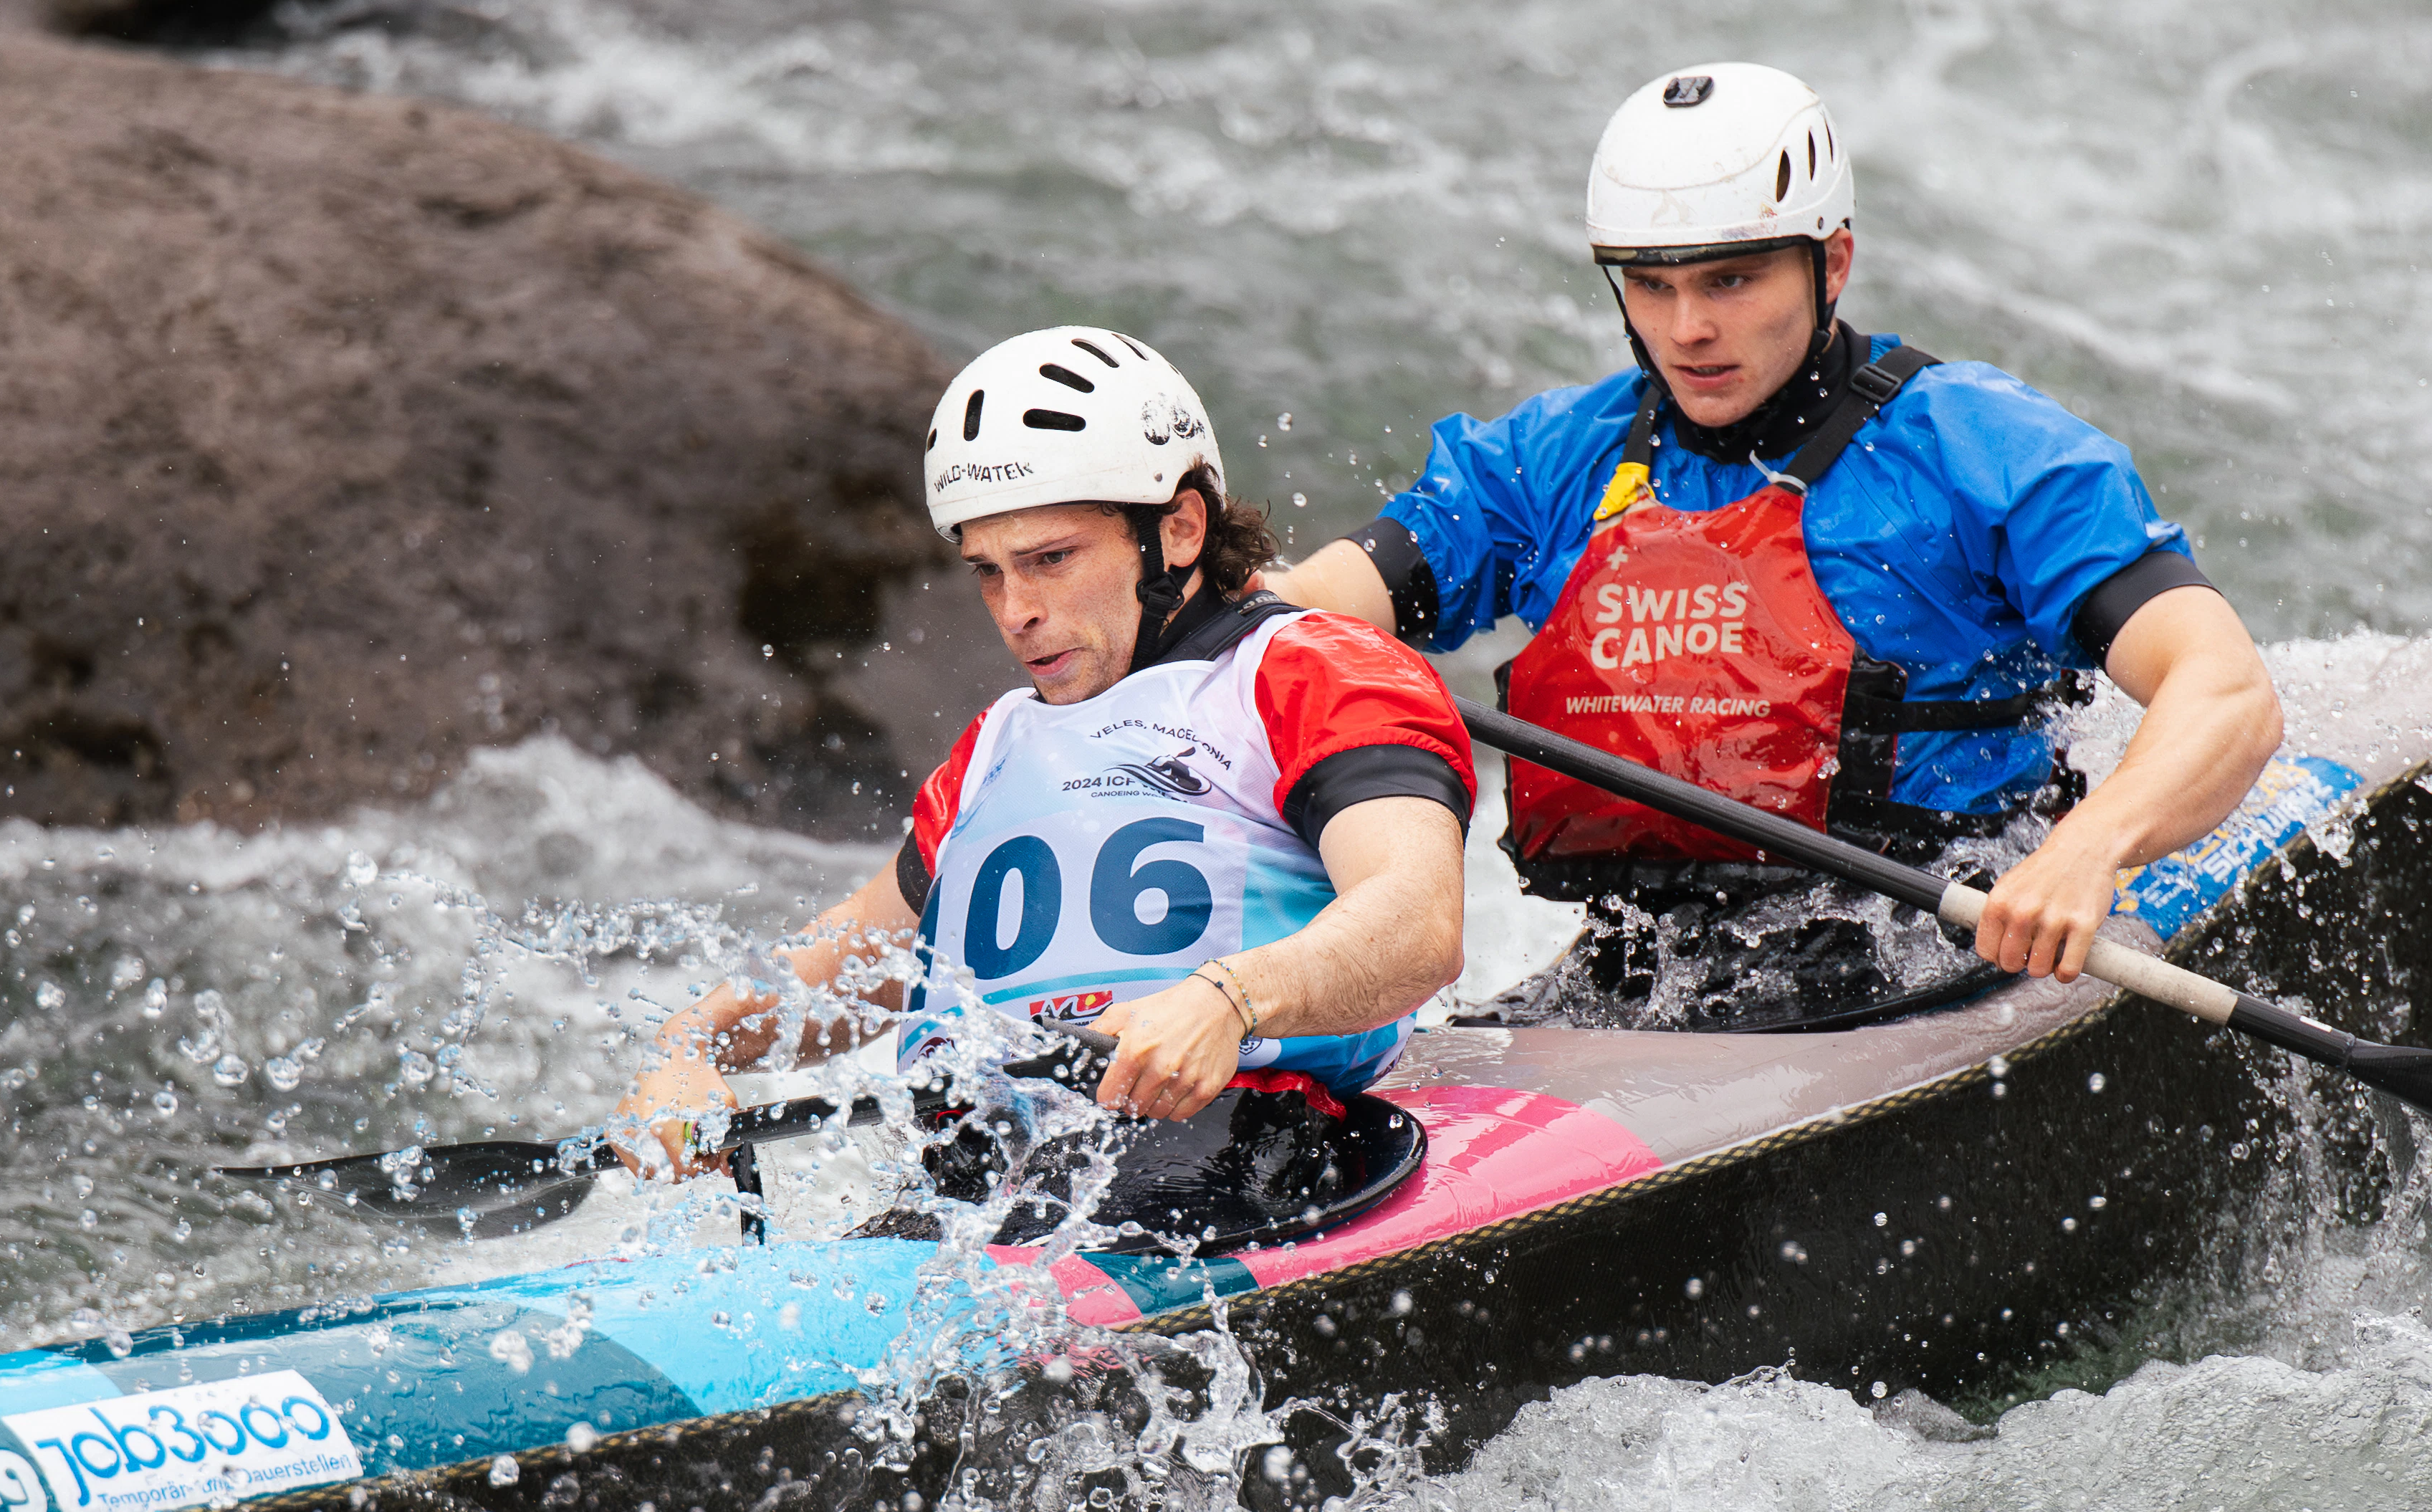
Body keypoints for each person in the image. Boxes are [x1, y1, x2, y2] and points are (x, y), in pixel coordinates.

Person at [1269, 61, 2284, 1029]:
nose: (1687, 330)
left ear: (1831, 262)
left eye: (1731, 282)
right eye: (1652, 288)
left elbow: (2223, 687)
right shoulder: (1553, 461)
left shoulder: (1979, 449)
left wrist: (2089, 853)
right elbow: (1307, 614)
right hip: (1645, 969)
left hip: (1935, 951)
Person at [618, 326, 1473, 1192]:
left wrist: (1230, 998)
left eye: (1050, 560)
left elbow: (1419, 922)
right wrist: (689, 1044)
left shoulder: (1311, 669)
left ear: (1177, 530)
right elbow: (854, 965)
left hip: (1242, 1159)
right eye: (987, 570)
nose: (1014, 610)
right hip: (978, 1192)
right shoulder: (995, 744)